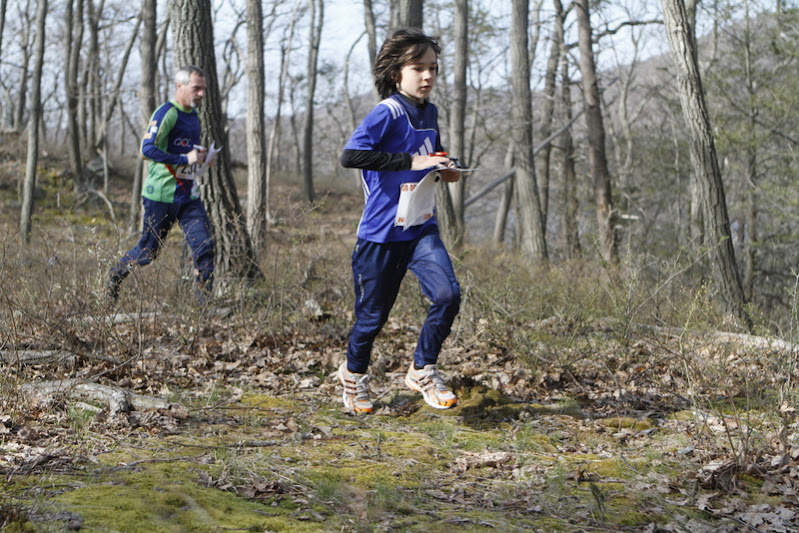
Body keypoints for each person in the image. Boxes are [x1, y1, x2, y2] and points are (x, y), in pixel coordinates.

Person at [337, 28, 462, 413]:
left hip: (420, 226)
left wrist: (445, 166)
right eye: (418, 68)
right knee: (372, 319)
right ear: (396, 73)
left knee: (448, 295)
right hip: (381, 233)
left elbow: (431, 152)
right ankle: (353, 376)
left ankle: (422, 369)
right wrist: (411, 161)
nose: (427, 76)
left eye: (433, 68)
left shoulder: (430, 111)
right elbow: (351, 156)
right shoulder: (387, 112)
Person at [106, 65, 214, 304]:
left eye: (203, 89)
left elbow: (187, 152)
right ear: (180, 86)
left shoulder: (194, 115)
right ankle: (115, 274)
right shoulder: (166, 112)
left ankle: (204, 307)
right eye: (196, 88)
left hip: (188, 196)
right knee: (148, 253)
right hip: (161, 196)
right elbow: (146, 150)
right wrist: (183, 159)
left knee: (205, 245)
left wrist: (203, 158)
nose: (201, 94)